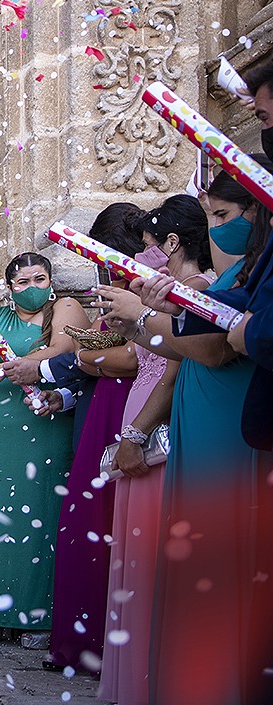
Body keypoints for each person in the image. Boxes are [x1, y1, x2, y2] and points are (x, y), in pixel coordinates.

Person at [100, 162, 273, 705]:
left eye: (223, 214)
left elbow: (213, 349)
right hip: (200, 422)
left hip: (227, 425)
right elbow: (186, 344)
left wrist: (145, 319)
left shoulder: (242, 278)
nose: (217, 227)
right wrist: (145, 320)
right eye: (210, 216)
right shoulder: (232, 276)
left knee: (224, 560)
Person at [91, 195, 210, 705]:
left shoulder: (195, 293)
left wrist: (135, 435)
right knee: (135, 560)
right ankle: (135, 675)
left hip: (159, 424)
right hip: (139, 413)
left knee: (155, 555)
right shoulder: (161, 293)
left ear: (172, 243)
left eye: (145, 245)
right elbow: (143, 353)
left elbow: (174, 367)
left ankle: (153, 678)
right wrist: (128, 323)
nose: (139, 257)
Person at [24, 202, 147, 673]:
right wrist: (66, 393)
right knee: (86, 521)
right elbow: (99, 354)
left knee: (111, 521)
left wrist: (80, 359)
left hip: (126, 408)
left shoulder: (142, 291)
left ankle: (106, 642)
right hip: (97, 407)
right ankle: (84, 639)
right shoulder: (112, 294)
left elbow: (130, 357)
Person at [0, 252, 90, 647]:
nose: (32, 288)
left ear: (50, 281)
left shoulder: (64, 309)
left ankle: (39, 614)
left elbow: (60, 353)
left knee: (43, 514)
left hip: (45, 422)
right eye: (23, 282)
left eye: (39, 279)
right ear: (10, 287)